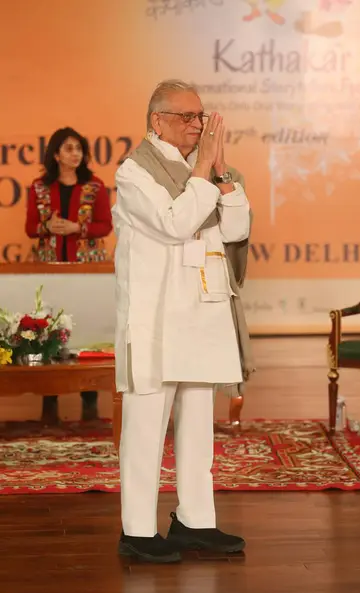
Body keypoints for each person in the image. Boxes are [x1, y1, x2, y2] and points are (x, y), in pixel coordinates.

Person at [113, 79, 253, 563]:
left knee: (198, 425)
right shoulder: (134, 171)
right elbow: (176, 223)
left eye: (201, 117)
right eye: (187, 117)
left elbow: (236, 229)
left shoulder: (208, 171)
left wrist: (220, 174)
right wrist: (204, 172)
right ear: (157, 121)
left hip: (203, 314)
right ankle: (136, 529)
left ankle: (195, 520)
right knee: (146, 424)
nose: (198, 126)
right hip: (158, 317)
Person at [25, 127, 112, 423]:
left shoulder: (95, 186)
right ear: (56, 154)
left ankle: (90, 399)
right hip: (50, 269)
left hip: (87, 270)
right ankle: (49, 400)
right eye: (69, 148)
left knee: (86, 331)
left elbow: (105, 226)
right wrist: (47, 227)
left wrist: (78, 229)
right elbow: (30, 228)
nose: (76, 154)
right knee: (48, 331)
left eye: (79, 148)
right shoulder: (39, 187)